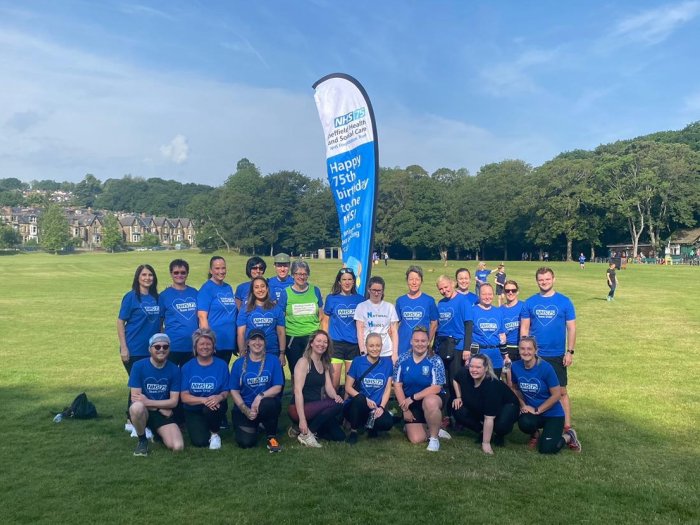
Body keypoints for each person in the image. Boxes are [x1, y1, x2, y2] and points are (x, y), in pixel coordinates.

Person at [520, 267, 576, 431]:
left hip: (556, 354)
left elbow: (571, 328)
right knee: (535, 391)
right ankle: (535, 431)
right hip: (535, 355)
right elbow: (525, 329)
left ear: (553, 279)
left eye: (547, 279)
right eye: (541, 280)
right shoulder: (530, 302)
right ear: (537, 281)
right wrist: (526, 351)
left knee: (562, 392)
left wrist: (570, 351)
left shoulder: (565, 301)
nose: (544, 282)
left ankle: (566, 427)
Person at [510, 337, 581, 453]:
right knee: (524, 422)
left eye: (529, 349)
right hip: (533, 412)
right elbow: (514, 388)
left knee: (546, 449)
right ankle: (535, 434)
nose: (526, 352)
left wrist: (537, 410)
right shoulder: (515, 367)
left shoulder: (546, 368)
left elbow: (557, 395)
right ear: (519, 350)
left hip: (553, 414)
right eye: (522, 349)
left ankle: (568, 436)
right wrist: (523, 405)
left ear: (535, 351)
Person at [117, 264, 160, 433]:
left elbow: (160, 323)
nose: (147, 278)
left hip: (152, 350)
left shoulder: (157, 297)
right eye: (144, 275)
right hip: (134, 348)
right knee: (138, 383)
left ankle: (136, 418)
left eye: (150, 275)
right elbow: (120, 322)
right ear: (137, 277)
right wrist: (124, 348)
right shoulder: (131, 297)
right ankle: (133, 421)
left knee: (144, 384)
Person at [394, 327, 451, 452]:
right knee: (416, 439)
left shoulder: (435, 360)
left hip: (432, 398)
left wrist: (413, 397)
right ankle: (434, 427)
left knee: (429, 402)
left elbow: (437, 387)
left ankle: (434, 439)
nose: (420, 344)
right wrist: (405, 409)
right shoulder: (402, 359)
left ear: (428, 342)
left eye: (423, 341)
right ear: (411, 342)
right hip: (410, 403)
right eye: (417, 340)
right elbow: (397, 385)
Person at [128, 333, 184, 456]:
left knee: (178, 446)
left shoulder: (175, 369)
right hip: (148, 411)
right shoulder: (138, 366)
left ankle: (157, 433)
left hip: (162, 414)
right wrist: (158, 407)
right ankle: (142, 440)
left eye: (165, 347)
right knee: (136, 407)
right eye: (157, 347)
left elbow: (174, 402)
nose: (161, 350)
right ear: (150, 349)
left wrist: (148, 402)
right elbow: (136, 398)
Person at [229, 329, 285, 452]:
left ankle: (271, 436)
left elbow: (278, 387)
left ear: (265, 342)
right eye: (254, 339)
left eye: (261, 339)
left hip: (264, 405)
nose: (257, 342)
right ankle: (258, 425)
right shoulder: (238, 364)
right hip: (246, 408)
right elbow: (234, 390)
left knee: (269, 403)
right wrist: (245, 409)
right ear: (248, 342)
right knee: (246, 442)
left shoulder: (273, 360)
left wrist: (260, 397)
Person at [452, 354, 519, 455]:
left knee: (501, 425)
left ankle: (498, 434)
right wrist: (458, 397)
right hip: (482, 407)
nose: (474, 370)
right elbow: (455, 379)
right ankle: (482, 431)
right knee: (457, 408)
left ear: (486, 368)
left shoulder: (492, 385)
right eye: (471, 366)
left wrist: (485, 443)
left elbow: (489, 417)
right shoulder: (464, 373)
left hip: (507, 407)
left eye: (478, 367)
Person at [288, 330, 345, 447]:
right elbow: (297, 392)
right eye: (318, 341)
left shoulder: (324, 362)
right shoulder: (304, 362)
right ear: (312, 343)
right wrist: (302, 419)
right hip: (299, 408)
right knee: (335, 405)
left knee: (339, 436)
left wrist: (336, 396)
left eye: (325, 342)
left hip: (316, 407)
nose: (321, 344)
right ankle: (307, 433)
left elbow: (329, 387)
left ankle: (306, 430)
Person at [180, 328, 229, 449]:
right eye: (201, 344)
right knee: (200, 442)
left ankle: (215, 433)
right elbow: (184, 397)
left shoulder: (222, 365)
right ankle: (203, 426)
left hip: (215, 406)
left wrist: (219, 397)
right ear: (195, 346)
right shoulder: (187, 367)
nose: (205, 347)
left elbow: (226, 390)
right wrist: (203, 400)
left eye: (208, 344)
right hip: (193, 409)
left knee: (211, 408)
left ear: (213, 346)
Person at [344, 333, 394, 444]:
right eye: (371, 346)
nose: (375, 349)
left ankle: (371, 427)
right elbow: (348, 387)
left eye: (378, 345)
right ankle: (354, 432)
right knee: (360, 398)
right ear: (366, 346)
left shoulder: (388, 363)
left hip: (374, 408)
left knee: (387, 422)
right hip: (357, 405)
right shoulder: (357, 361)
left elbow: (387, 389)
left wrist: (381, 407)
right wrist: (365, 400)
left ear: (382, 346)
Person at [277, 260, 325, 377]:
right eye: (298, 274)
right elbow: (280, 320)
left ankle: (314, 395)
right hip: (293, 338)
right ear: (293, 275)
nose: (301, 277)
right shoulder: (286, 293)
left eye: (304, 274)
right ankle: (297, 394)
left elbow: (321, 315)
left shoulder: (315, 290)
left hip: (312, 338)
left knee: (315, 371)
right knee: (296, 372)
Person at [434, 275, 473, 414]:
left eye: (446, 287)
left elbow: (469, 325)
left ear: (452, 283)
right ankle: (445, 413)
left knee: (454, 380)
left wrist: (467, 348)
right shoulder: (441, 303)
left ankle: (459, 414)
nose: (444, 291)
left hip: (457, 346)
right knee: (443, 381)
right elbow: (438, 327)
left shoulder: (463, 301)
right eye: (441, 289)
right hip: (443, 346)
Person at [322, 268, 365, 391]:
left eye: (350, 279)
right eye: (344, 279)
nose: (347, 282)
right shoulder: (331, 298)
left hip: (353, 345)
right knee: (333, 383)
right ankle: (331, 407)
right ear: (339, 282)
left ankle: (347, 408)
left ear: (354, 282)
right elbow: (325, 321)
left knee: (350, 384)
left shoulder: (360, 300)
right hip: (336, 344)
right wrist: (325, 341)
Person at [197, 256, 237, 366]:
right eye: (217, 268)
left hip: (228, 341)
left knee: (223, 373)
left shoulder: (228, 287)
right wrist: (208, 342)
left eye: (223, 268)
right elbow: (202, 317)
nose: (221, 271)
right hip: (214, 343)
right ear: (211, 270)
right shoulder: (207, 289)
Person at [236, 276, 286, 365]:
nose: (260, 290)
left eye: (262, 286)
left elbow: (281, 332)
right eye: (256, 287)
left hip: (272, 351)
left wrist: (282, 353)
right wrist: (242, 351)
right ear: (252, 291)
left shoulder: (276, 309)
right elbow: (241, 333)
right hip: (252, 352)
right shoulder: (245, 309)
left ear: (267, 289)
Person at [159, 259, 198, 367]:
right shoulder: (164, 295)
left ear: (187, 273)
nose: (179, 275)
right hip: (173, 346)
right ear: (171, 273)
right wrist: (163, 341)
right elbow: (159, 322)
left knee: (188, 379)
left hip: (193, 346)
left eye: (183, 272)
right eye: (176, 272)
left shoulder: (195, 293)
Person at [354, 276, 400, 364]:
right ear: (368, 290)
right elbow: (360, 331)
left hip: (386, 351)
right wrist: (363, 350)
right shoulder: (361, 307)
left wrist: (395, 353)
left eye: (379, 291)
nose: (376, 293)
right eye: (373, 290)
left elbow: (394, 332)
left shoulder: (389, 307)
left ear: (383, 291)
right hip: (369, 351)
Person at [396, 266, 439, 357]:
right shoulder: (400, 301)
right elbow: (394, 325)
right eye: (411, 279)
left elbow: (434, 324)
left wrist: (427, 342)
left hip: (421, 348)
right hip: (402, 346)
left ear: (421, 281)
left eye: (417, 279)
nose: (414, 282)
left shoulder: (429, 301)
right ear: (407, 280)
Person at [472, 283, 508, 379]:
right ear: (479, 295)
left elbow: (502, 336)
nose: (487, 297)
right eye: (484, 294)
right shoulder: (472, 311)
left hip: (496, 356)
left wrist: (506, 356)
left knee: (494, 387)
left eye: (490, 294)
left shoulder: (498, 312)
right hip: (479, 355)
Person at [500, 280, 524, 363]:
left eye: (513, 290)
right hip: (507, 349)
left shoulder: (524, 307)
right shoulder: (499, 311)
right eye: (507, 290)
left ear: (517, 292)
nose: (510, 293)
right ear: (503, 292)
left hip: (523, 348)